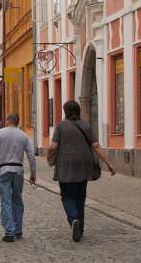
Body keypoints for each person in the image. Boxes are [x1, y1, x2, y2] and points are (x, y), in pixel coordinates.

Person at [47, 100, 115, 242]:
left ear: (65, 111)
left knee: (67, 195)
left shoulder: (60, 126)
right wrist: (108, 163)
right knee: (80, 196)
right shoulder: (86, 125)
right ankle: (80, 228)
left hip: (65, 166)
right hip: (84, 166)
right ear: (78, 111)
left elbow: (53, 146)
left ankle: (73, 219)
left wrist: (49, 158)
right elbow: (96, 146)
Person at [0, 113, 36, 243]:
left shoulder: (0, 133)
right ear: (17, 122)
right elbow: (31, 155)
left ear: (8, 120)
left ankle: (9, 232)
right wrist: (33, 173)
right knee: (17, 201)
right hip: (18, 171)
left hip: (4, 171)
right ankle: (18, 230)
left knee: (6, 202)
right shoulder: (23, 135)